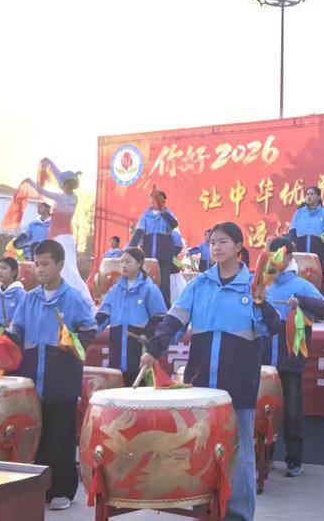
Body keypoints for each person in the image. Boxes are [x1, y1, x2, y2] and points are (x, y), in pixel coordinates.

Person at [140, 222, 279, 521]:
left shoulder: (253, 286)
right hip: (201, 384)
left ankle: (238, 514)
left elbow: (272, 328)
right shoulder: (199, 285)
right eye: (212, 242)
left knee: (240, 453)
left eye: (223, 241)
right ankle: (203, 509)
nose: (216, 247)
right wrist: (154, 348)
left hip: (238, 386)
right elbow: (173, 320)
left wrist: (261, 302)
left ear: (239, 246)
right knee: (201, 450)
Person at [5, 239, 96, 511]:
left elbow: (89, 330)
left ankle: (62, 490)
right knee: (38, 435)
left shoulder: (74, 298)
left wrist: (72, 340)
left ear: (60, 264)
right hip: (32, 375)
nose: (40, 269)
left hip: (62, 376)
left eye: (45, 264)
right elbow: (15, 332)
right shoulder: (29, 298)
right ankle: (42, 487)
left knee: (61, 435)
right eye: (37, 264)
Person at [260, 236, 324, 478]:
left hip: (289, 360)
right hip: (262, 362)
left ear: (289, 257)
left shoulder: (301, 285)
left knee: (291, 412)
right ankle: (263, 459)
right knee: (263, 411)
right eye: (269, 255)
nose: (273, 260)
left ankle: (294, 460)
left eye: (277, 255)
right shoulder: (263, 283)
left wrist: (301, 301)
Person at [24, 161, 93, 307]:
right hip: (66, 238)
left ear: (65, 184)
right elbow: (59, 176)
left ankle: (74, 299)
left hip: (60, 238)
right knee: (69, 269)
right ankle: (75, 298)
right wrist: (50, 163)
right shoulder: (73, 197)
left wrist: (31, 182)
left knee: (64, 270)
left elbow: (44, 191)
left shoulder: (61, 198)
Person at [95, 247, 166, 385]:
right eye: (121, 262)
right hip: (116, 354)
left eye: (128, 262)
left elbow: (160, 318)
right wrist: (86, 331)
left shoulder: (149, 289)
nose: (123, 265)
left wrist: (147, 335)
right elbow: (103, 316)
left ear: (140, 263)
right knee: (117, 392)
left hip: (139, 353)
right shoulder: (114, 290)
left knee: (138, 392)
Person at [129, 187, 179, 305]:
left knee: (164, 284)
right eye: (152, 198)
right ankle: (147, 307)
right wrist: (130, 250)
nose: (153, 200)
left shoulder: (168, 215)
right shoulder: (145, 216)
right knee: (148, 282)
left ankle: (164, 309)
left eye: (157, 198)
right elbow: (139, 233)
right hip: (149, 256)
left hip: (165, 256)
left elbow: (174, 224)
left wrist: (162, 211)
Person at [288, 187, 324, 294]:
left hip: (318, 250)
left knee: (318, 278)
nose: (309, 196)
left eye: (312, 194)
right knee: (300, 277)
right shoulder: (299, 213)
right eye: (307, 194)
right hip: (300, 250)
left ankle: (319, 301)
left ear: (318, 197)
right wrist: (292, 242)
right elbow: (292, 231)